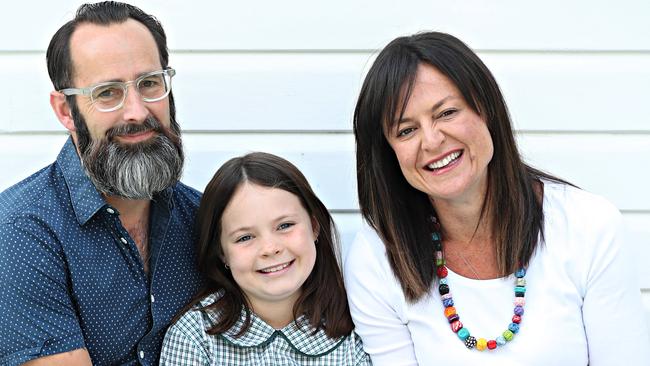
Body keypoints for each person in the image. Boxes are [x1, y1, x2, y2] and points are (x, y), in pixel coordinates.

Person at [344, 31, 650, 365]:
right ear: (389, 154)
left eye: (446, 113)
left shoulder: (588, 225)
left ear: (485, 108)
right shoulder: (378, 256)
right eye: (406, 130)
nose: (431, 141)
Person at [0, 2, 203, 365]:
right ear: (65, 111)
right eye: (107, 92)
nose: (137, 111)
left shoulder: (204, 217)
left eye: (150, 83)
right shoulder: (20, 232)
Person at [159, 152, 370, 365]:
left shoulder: (359, 323)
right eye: (245, 237)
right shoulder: (195, 336)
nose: (270, 248)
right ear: (222, 252)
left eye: (285, 226)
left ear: (314, 227)